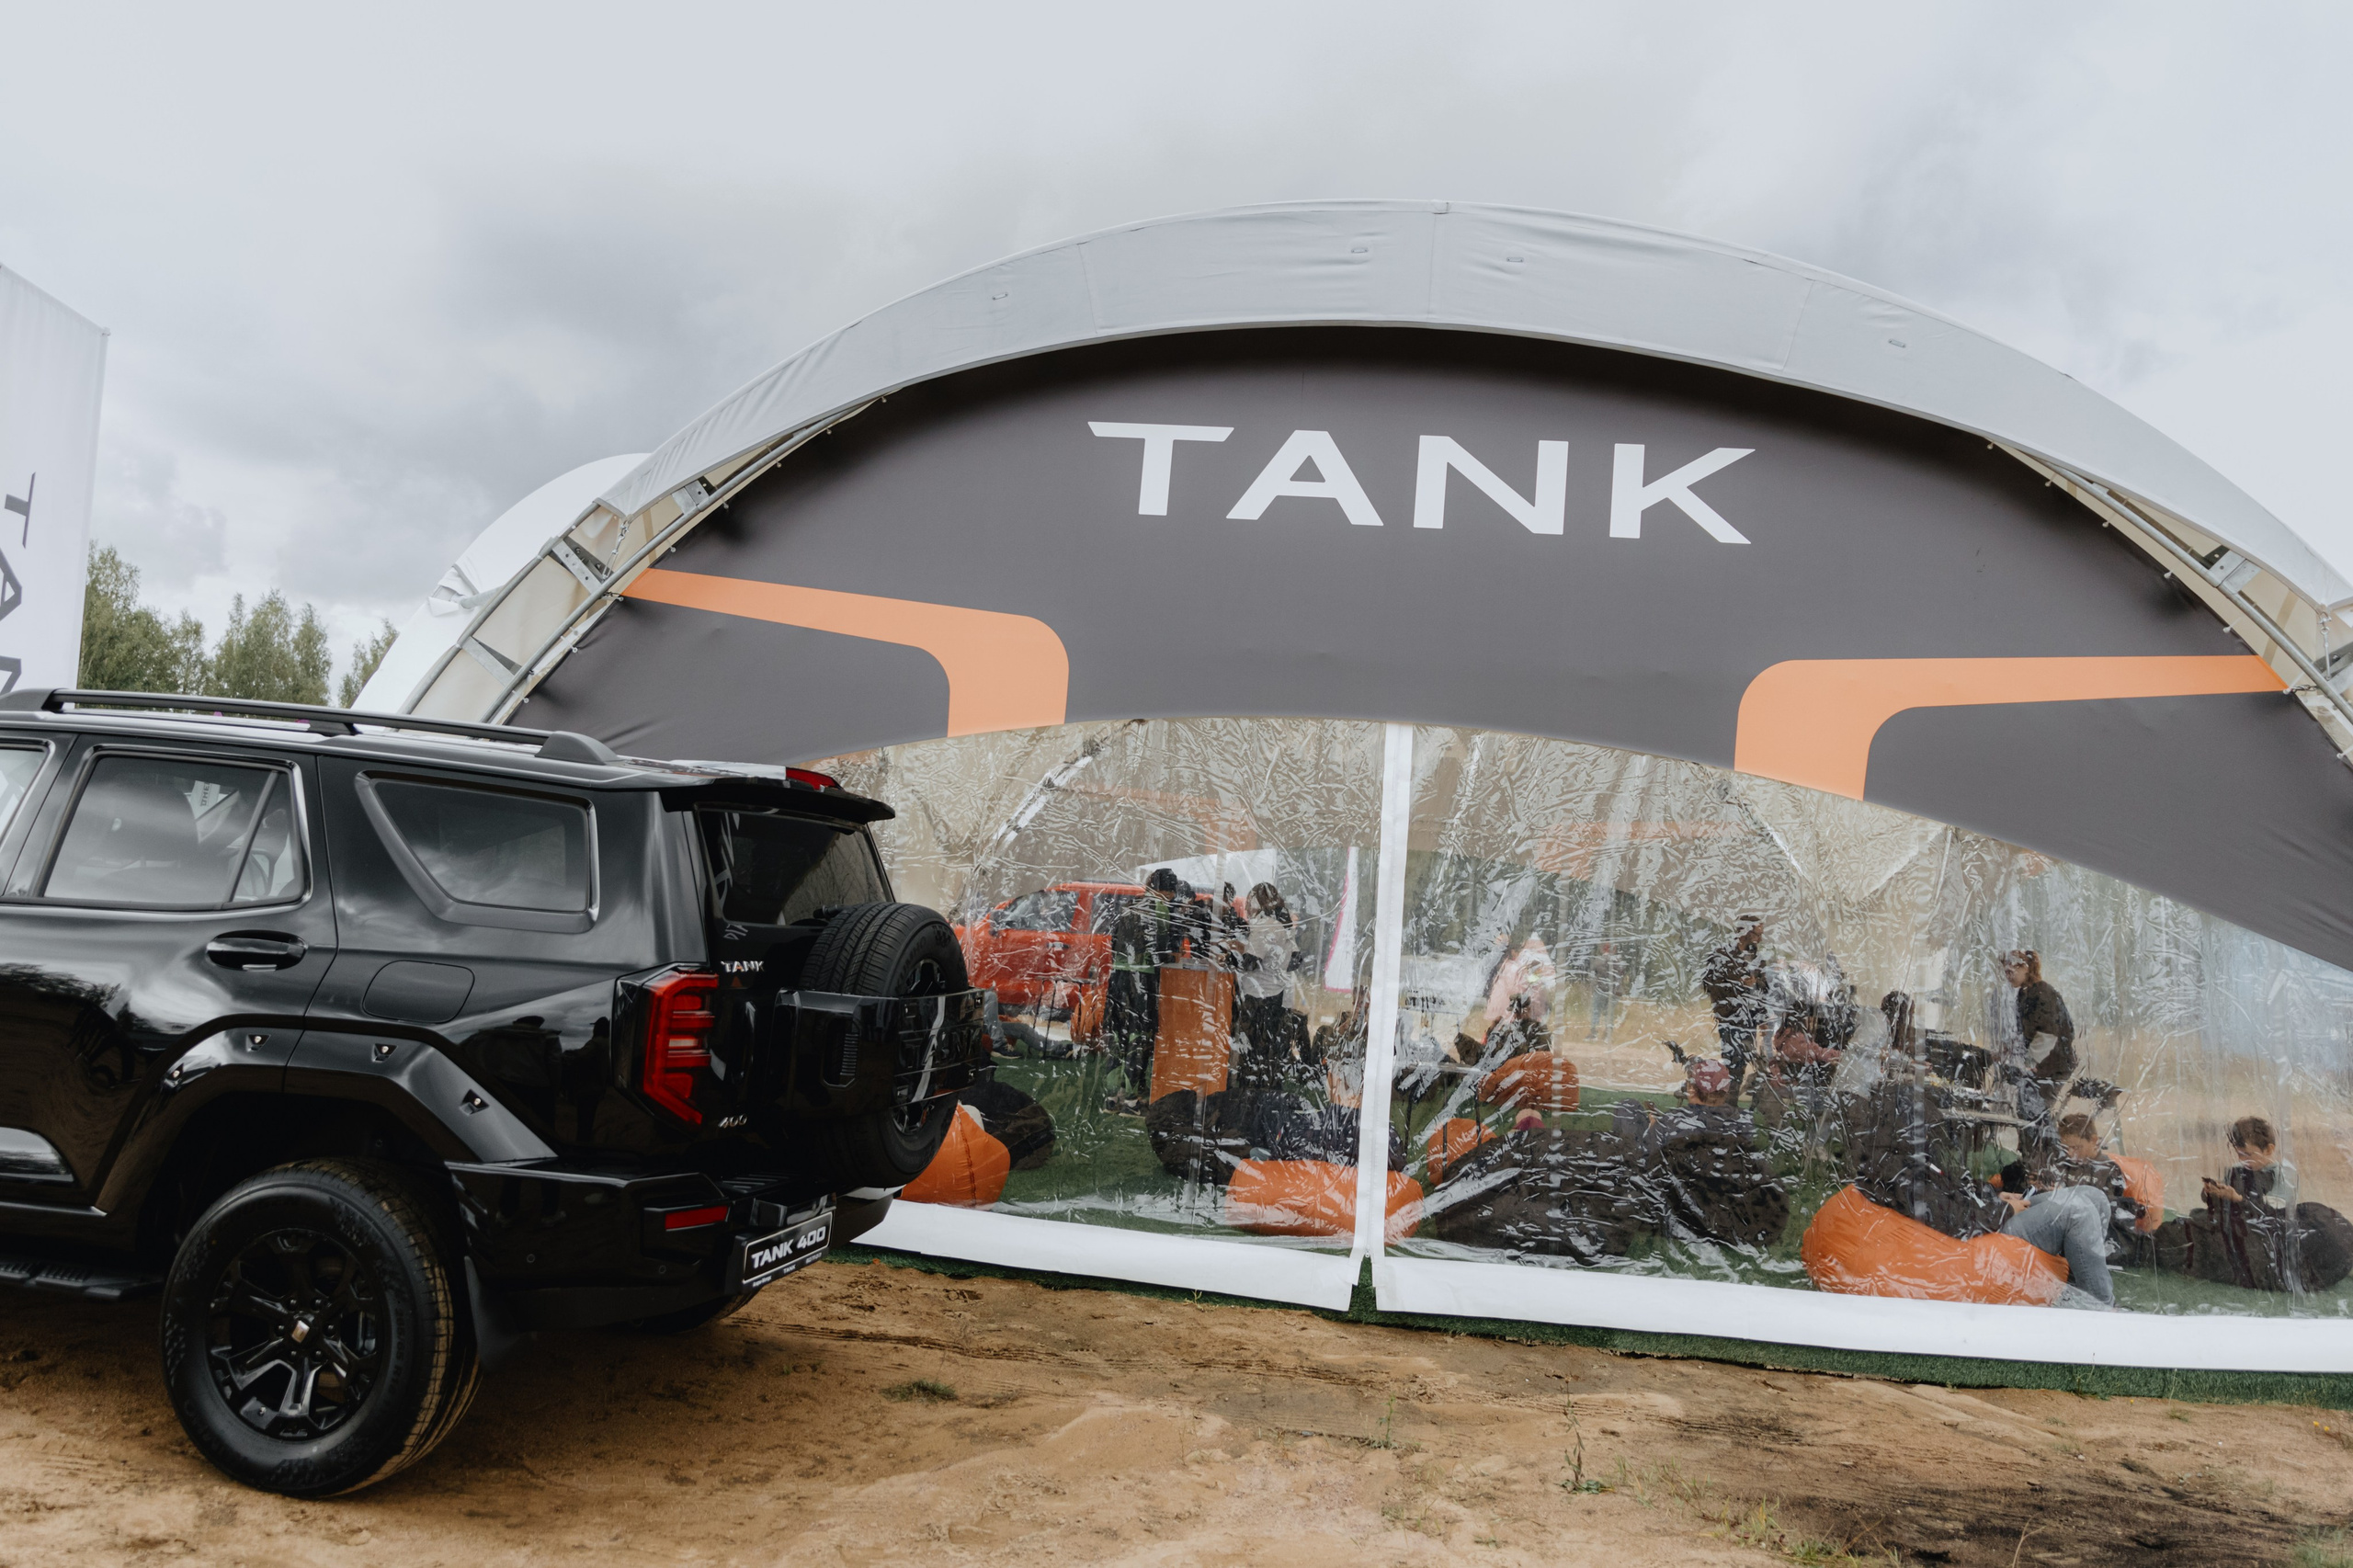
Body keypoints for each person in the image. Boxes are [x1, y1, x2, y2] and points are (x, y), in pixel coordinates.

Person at [1105, 869, 1186, 1108]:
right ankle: (1132, 1099)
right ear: (1167, 891)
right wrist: (1173, 956)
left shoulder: (1128, 906)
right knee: (1138, 1036)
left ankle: (1112, 1097)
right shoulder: (1160, 909)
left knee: (1117, 1035)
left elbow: (1114, 943)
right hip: (1142, 980)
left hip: (1118, 977)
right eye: (1171, 893)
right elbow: (1158, 950)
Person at [1234, 882, 1299, 1094]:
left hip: (1259, 997)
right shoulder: (1281, 925)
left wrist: (1233, 952)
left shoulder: (1265, 926)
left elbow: (1251, 963)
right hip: (1276, 995)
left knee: (1253, 1053)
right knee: (1269, 1055)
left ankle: (1250, 1096)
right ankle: (1266, 1095)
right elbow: (1294, 959)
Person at [1702, 915, 1768, 1103]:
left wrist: (1762, 1017)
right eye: (1757, 934)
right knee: (1732, 1060)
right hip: (1730, 1017)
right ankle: (1726, 1104)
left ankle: (1730, 1105)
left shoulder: (1756, 957)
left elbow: (1765, 987)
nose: (1759, 939)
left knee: (1743, 1062)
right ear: (1745, 932)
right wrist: (1736, 986)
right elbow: (1709, 984)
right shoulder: (1722, 955)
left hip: (1749, 1018)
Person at [2003, 949, 2076, 1100]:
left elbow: (2047, 1034)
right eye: (2006, 972)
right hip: (2043, 1064)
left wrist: (2030, 1062)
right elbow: (2025, 1032)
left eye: (2010, 972)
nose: (2007, 976)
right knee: (2027, 1106)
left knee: (2035, 1110)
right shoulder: (2025, 994)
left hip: (2054, 1065)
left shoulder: (2042, 993)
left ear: (2025, 968)